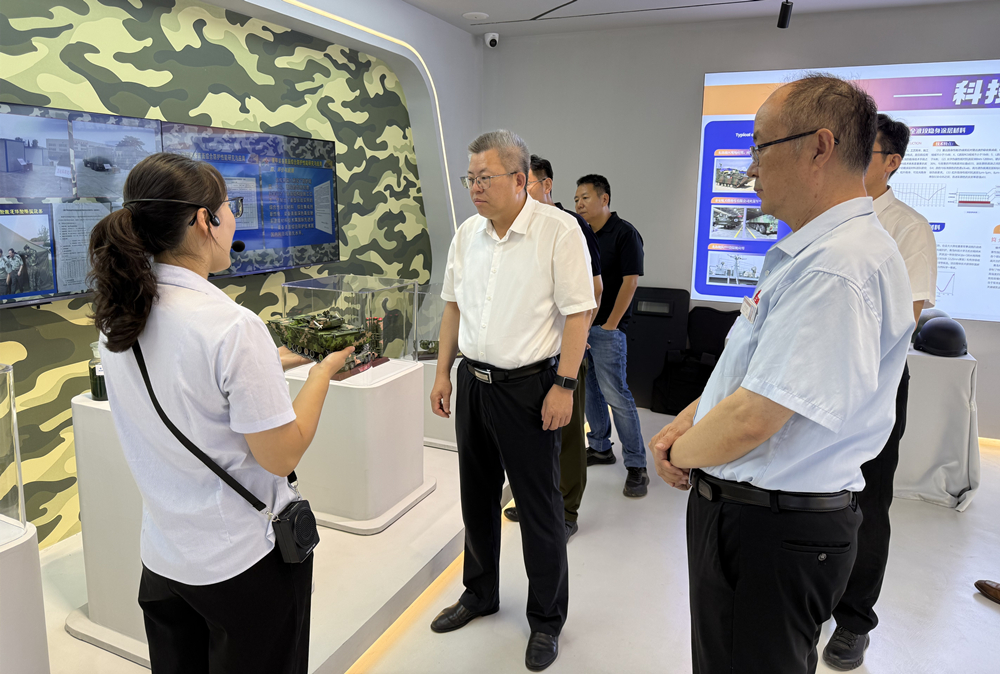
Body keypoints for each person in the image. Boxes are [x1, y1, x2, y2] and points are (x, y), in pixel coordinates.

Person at [649, 74, 914, 673]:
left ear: (819, 147)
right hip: (761, 516)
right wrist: (686, 425)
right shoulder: (817, 254)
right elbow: (745, 377)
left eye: (760, 148)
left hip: (771, 527)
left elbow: (756, 416)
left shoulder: (836, 267)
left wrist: (675, 452)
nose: (749, 169)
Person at [89, 152, 354, 674]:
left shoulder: (119, 317)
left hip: (164, 560)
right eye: (231, 207)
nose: (234, 219)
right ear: (204, 220)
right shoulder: (232, 325)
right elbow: (281, 455)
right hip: (240, 565)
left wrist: (277, 360)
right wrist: (322, 373)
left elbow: (192, 386)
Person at [428, 130, 595, 672]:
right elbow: (452, 307)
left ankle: (546, 619)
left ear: (521, 180)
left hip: (530, 388)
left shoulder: (558, 231)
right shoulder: (467, 235)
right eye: (470, 178)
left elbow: (579, 313)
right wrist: (443, 374)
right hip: (473, 383)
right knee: (476, 498)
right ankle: (480, 593)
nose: (475, 187)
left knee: (539, 507)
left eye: (485, 178)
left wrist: (564, 386)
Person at [823, 113, 938, 670]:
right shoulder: (827, 216)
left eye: (863, 151)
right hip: (817, 375)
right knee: (819, 493)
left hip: (875, 382)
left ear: (891, 163)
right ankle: (817, 597)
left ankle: (853, 621)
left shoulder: (908, 228)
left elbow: (904, 321)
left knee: (868, 503)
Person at [504, 154, 603, 540]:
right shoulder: (517, 229)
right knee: (531, 435)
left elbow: (595, 289)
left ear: (545, 185)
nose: (518, 191)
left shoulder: (570, 226)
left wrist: (576, 339)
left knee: (567, 436)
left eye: (524, 183)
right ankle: (533, 501)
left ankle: (566, 509)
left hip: (563, 353)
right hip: (526, 356)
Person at [573, 174, 648, 497]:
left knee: (616, 394)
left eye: (585, 198)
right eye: (576, 199)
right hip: (582, 326)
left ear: (604, 199)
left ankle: (637, 465)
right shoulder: (581, 233)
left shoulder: (625, 233)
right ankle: (600, 447)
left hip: (607, 329)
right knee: (590, 391)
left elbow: (631, 282)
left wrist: (611, 324)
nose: (579, 204)